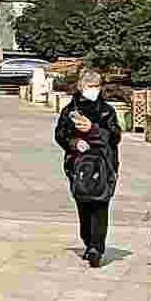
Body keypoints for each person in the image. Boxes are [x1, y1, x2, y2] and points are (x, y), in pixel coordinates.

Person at [53, 64, 126, 265]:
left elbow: (115, 136)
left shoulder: (107, 111)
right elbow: (60, 135)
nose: (94, 89)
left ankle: (96, 247)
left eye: (96, 85)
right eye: (89, 86)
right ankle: (88, 241)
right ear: (81, 86)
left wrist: (93, 130)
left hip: (104, 163)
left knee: (100, 204)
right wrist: (74, 143)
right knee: (84, 204)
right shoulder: (70, 111)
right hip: (78, 165)